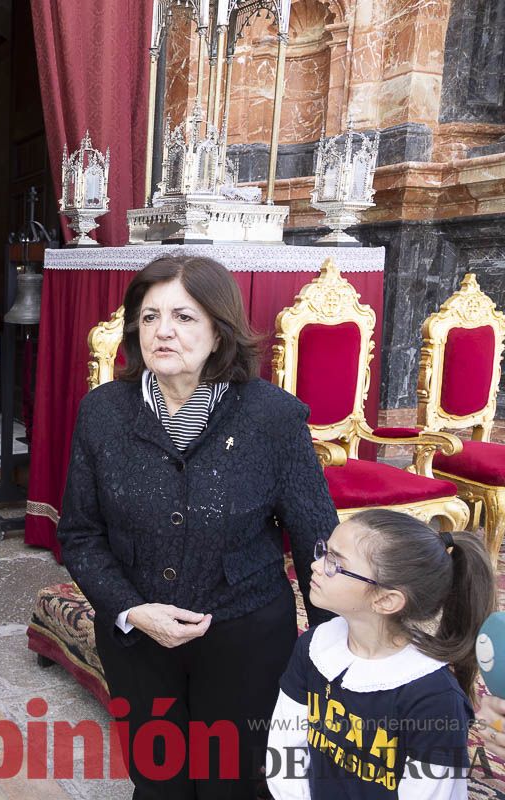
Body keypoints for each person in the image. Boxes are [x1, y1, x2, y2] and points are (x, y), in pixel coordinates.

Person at [57, 254, 338, 799]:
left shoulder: (271, 417)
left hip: (245, 638)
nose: (163, 331)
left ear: (219, 329)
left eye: (184, 317)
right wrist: (131, 609)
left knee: (230, 785)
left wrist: (333, 653)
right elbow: (80, 535)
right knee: (158, 784)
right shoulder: (103, 412)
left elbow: (315, 540)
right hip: (138, 640)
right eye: (148, 316)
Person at [266, 510, 496, 799]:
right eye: (324, 551)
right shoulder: (315, 646)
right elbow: (285, 748)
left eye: (335, 562)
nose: (315, 565)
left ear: (386, 599)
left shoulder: (433, 697)